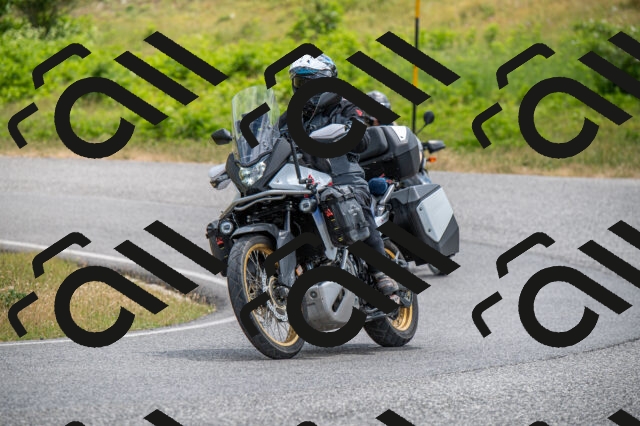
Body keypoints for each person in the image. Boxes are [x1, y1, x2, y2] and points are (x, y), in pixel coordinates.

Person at [278, 54, 400, 301]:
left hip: (342, 176)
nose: (304, 90)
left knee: (349, 203)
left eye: (310, 83)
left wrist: (348, 132)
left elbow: (363, 139)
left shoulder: (345, 107)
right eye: (300, 83)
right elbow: (272, 144)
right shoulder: (289, 118)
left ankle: (380, 271)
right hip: (303, 182)